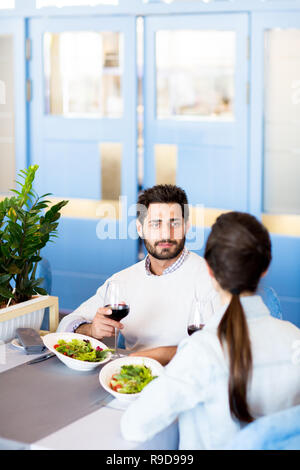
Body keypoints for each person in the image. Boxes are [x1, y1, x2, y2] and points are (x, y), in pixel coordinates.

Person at [120, 211, 300, 450]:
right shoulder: (294, 339)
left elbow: (135, 426)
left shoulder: (201, 352)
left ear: (210, 270)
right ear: (265, 268)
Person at [57, 185, 220, 363]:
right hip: (130, 380)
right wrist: (90, 330)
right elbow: (65, 326)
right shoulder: (122, 281)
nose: (166, 234)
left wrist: (158, 356)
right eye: (155, 224)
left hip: (189, 380)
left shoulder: (211, 279)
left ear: (187, 227)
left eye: (174, 223)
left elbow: (224, 346)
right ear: (140, 228)